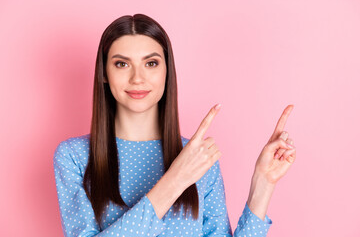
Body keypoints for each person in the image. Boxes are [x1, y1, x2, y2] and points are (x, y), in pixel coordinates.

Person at [53, 13, 297, 237]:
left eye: (151, 63)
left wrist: (263, 185)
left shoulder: (197, 159)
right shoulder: (74, 157)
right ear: (104, 73)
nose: (137, 78)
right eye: (122, 63)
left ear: (167, 71)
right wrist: (176, 179)